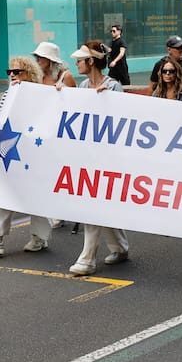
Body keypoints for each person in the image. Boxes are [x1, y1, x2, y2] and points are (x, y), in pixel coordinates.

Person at [0, 56, 54, 256]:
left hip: (34, 154)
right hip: (9, 151)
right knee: (1, 190)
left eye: (17, 72)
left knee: (35, 194)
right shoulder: (7, 95)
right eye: (9, 72)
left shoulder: (42, 95)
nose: (12, 75)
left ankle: (39, 237)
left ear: (30, 74)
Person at [66, 41, 130, 276]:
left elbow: (124, 120)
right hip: (87, 155)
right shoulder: (83, 86)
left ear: (91, 61)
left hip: (107, 157)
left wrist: (107, 102)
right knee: (99, 203)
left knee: (93, 205)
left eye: (80, 60)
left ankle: (87, 259)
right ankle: (120, 247)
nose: (77, 64)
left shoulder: (113, 87)